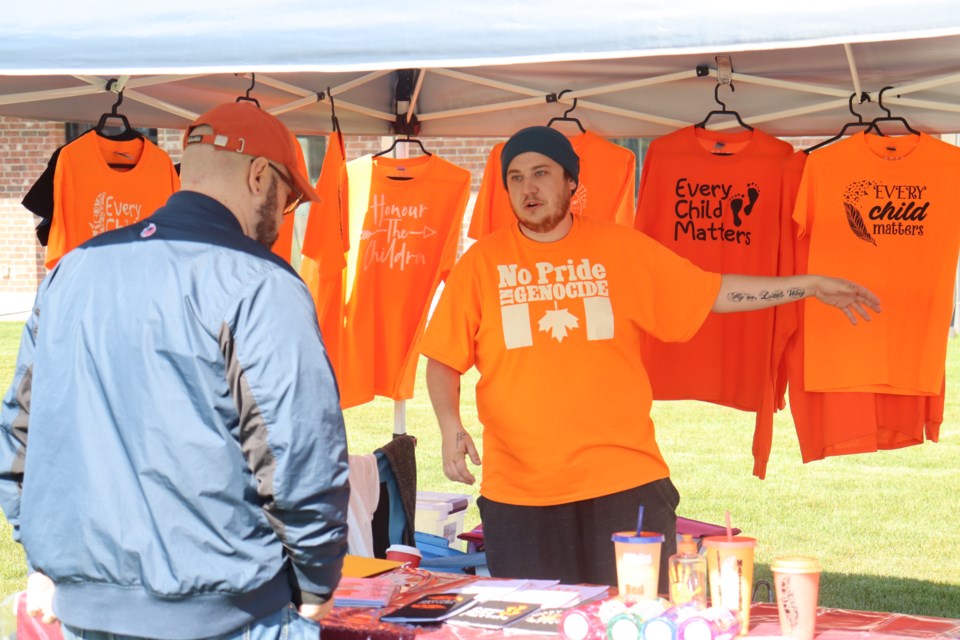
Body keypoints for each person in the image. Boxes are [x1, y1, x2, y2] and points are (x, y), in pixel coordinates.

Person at [419, 126, 881, 591]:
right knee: (539, 627)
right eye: (515, 178)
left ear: (572, 182)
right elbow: (441, 358)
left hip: (624, 481)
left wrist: (808, 285)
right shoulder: (481, 264)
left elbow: (714, 290)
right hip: (519, 492)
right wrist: (449, 425)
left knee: (640, 621)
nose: (528, 188)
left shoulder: (620, 249)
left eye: (541, 173)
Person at [0, 102, 350, 639]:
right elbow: (298, 452)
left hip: (87, 612)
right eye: (290, 197)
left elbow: (21, 434)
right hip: (226, 613)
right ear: (260, 177)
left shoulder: (72, 270)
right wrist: (317, 581)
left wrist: (44, 554)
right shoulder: (259, 281)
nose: (285, 217)